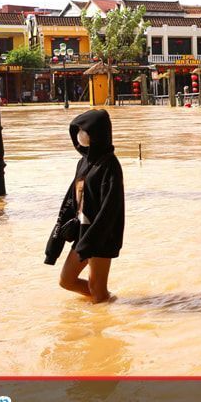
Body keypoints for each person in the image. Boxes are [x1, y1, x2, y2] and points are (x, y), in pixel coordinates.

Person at [45, 109, 125, 303]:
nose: (81, 135)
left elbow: (110, 208)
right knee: (66, 280)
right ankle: (110, 302)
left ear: (97, 134)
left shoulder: (110, 166)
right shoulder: (83, 162)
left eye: (85, 131)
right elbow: (71, 199)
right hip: (83, 233)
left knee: (97, 288)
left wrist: (91, 241)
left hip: (102, 236)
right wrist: (55, 241)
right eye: (78, 131)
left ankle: (99, 325)